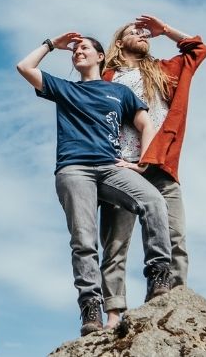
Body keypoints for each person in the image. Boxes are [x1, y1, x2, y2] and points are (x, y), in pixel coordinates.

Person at [16, 31, 174, 336]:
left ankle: (158, 275)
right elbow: (25, 67)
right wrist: (52, 45)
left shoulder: (119, 92)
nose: (78, 52)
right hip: (74, 170)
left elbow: (146, 124)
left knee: (153, 201)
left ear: (100, 57)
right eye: (74, 50)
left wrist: (141, 164)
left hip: (109, 168)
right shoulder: (64, 89)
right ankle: (90, 308)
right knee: (84, 241)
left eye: (84, 47)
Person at [98, 15, 206, 329]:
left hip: (159, 164)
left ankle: (174, 301)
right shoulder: (105, 78)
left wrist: (166, 31)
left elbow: (198, 50)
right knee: (116, 242)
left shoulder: (163, 71)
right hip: (120, 166)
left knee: (174, 235)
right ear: (119, 42)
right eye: (134, 32)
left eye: (145, 33)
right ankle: (113, 313)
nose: (142, 34)